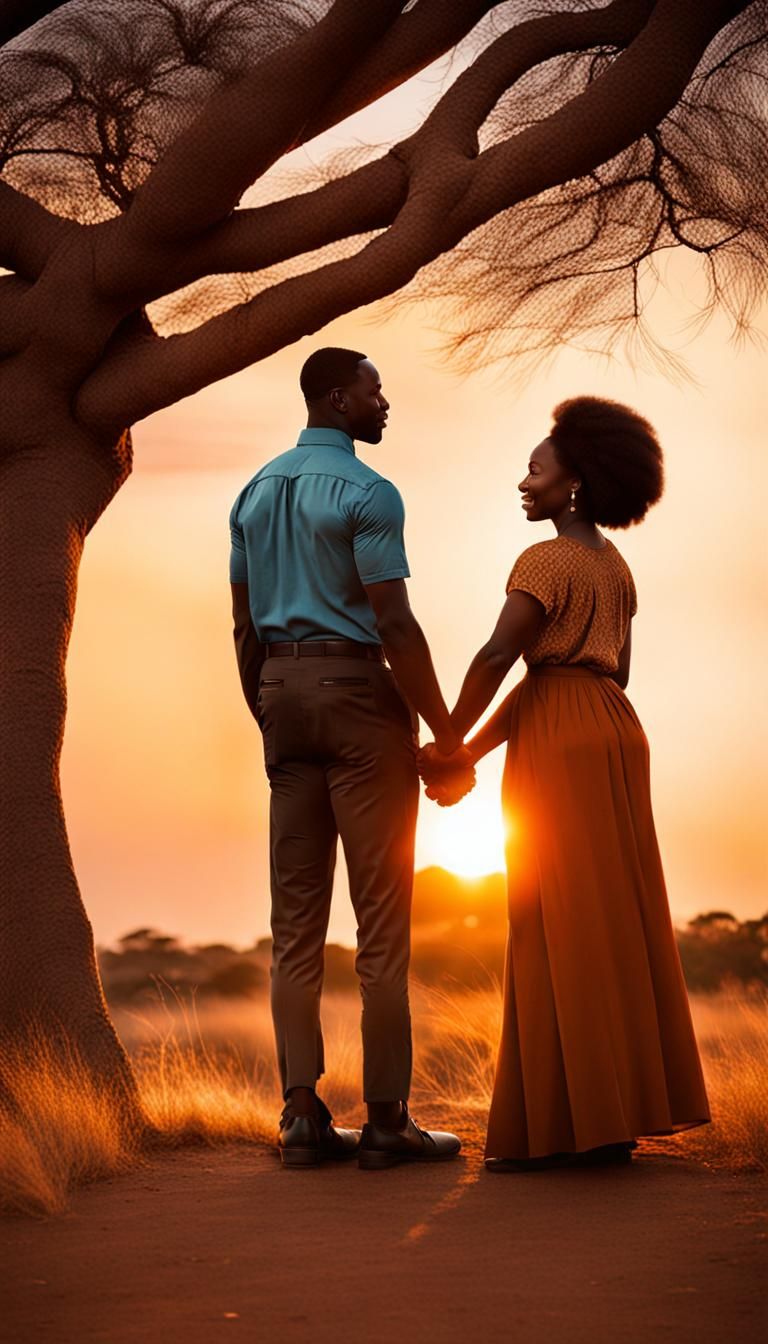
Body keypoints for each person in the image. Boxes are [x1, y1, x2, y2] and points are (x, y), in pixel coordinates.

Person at [420, 395, 711, 1171]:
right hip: (613, 731)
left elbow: (497, 660)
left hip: (561, 739)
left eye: (536, 470)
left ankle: (559, 1128)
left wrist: (447, 744)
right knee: (607, 922)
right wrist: (472, 755)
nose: (524, 481)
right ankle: (608, 1121)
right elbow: (588, 675)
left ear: (574, 483)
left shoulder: (544, 563)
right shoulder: (615, 569)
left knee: (551, 919)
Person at [228, 347, 468, 1169]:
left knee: (293, 931)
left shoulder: (253, 492)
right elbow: (394, 624)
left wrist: (268, 708)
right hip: (359, 695)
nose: (384, 401)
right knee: (381, 931)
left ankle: (299, 1116)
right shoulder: (368, 492)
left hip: (281, 694)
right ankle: (388, 1121)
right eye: (375, 389)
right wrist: (445, 733)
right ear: (337, 398)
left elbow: (244, 623)